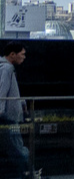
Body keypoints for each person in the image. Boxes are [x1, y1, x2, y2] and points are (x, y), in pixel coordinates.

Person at [0, 42, 30, 179]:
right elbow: (2, 92)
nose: (24, 57)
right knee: (18, 147)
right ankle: (28, 173)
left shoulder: (7, 68)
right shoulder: (6, 69)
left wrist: (22, 103)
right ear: (12, 54)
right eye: (22, 54)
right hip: (9, 117)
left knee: (15, 146)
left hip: (8, 117)